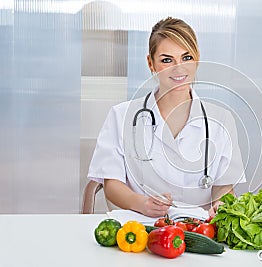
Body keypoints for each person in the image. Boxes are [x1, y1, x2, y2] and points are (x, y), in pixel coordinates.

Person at [87, 17, 245, 217]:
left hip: (200, 232)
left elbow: (223, 188)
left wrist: (221, 205)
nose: (179, 68)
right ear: (151, 63)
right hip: (141, 230)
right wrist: (142, 204)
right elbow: (112, 184)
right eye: (167, 60)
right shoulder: (121, 116)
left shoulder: (221, 119)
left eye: (186, 58)